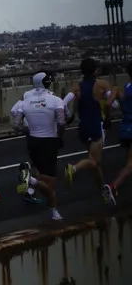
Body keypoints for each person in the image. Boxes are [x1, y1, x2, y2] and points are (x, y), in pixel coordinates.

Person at [11, 71, 66, 221]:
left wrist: (28, 130)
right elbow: (61, 122)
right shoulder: (56, 100)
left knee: (42, 172)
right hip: (50, 141)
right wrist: (59, 136)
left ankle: (32, 184)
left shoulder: (25, 101)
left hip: (33, 141)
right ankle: (52, 210)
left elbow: (16, 124)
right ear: (47, 83)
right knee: (51, 182)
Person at [62, 57, 112, 202]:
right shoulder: (102, 84)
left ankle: (103, 190)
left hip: (83, 126)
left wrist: (69, 116)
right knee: (94, 160)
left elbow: (63, 103)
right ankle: (73, 169)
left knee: (96, 162)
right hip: (97, 124)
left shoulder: (77, 87)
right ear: (95, 70)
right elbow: (111, 103)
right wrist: (108, 118)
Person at [104, 61, 132, 203]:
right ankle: (113, 186)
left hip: (125, 128)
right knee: (130, 164)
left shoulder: (124, 88)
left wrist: (108, 119)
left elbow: (108, 103)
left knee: (128, 162)